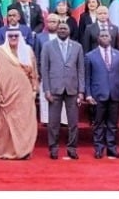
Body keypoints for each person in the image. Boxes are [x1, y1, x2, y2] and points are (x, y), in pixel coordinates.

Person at [0, 29, 38, 160]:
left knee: (24, 123)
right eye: (10, 35)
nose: (13, 38)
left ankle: (24, 150)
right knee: (6, 124)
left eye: (16, 36)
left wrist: (34, 89)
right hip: (6, 94)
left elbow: (33, 72)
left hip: (24, 94)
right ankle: (7, 151)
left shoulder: (27, 51)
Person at [41, 22, 85, 160]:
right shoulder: (48, 46)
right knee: (53, 122)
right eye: (60, 28)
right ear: (56, 30)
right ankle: (53, 148)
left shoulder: (77, 46)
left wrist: (81, 91)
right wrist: (46, 89)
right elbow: (44, 69)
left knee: (73, 123)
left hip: (72, 89)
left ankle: (72, 148)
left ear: (69, 30)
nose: (62, 30)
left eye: (65, 28)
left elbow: (81, 70)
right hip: (54, 89)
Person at [85, 30, 119, 159]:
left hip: (115, 94)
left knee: (113, 124)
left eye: (107, 35)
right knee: (98, 123)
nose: (104, 37)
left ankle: (112, 148)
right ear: (98, 38)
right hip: (98, 94)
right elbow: (87, 77)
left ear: (111, 38)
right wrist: (88, 94)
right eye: (102, 35)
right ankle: (99, 148)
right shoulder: (90, 55)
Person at [33, 14, 68, 126]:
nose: (51, 23)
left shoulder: (64, 36)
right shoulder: (39, 37)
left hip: (61, 72)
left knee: (62, 95)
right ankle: (47, 119)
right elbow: (36, 56)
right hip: (45, 72)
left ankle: (62, 120)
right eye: (49, 21)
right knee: (45, 96)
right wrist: (38, 72)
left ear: (58, 23)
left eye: (54, 21)